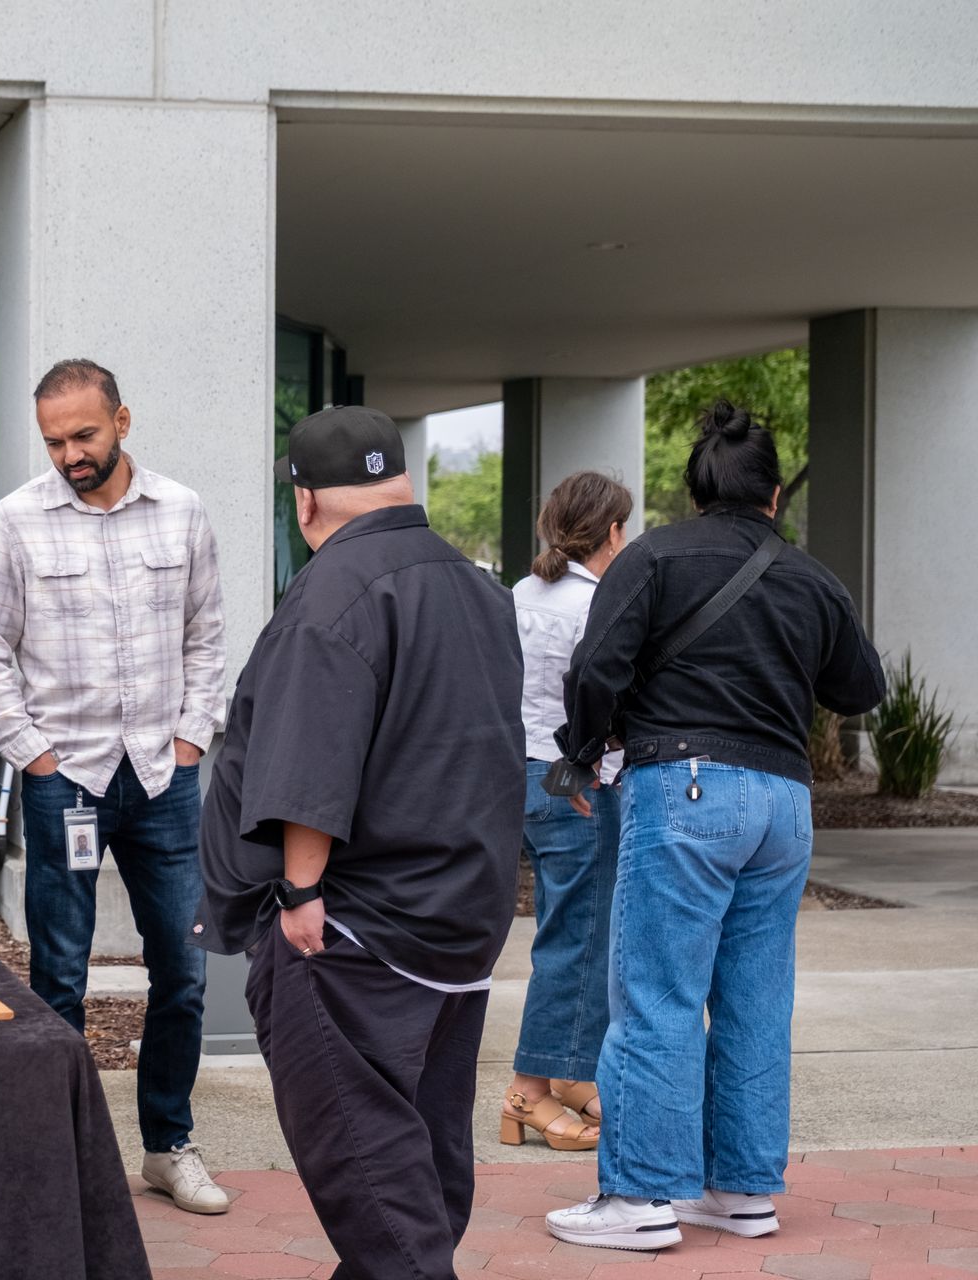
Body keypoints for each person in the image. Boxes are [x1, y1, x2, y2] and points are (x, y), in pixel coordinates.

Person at [545, 402, 885, 1250]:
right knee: (757, 1002)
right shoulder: (812, 577)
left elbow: (596, 668)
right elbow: (862, 689)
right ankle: (741, 1193)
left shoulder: (654, 556)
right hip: (786, 806)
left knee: (658, 993)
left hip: (687, 788)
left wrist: (584, 754)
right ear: (774, 495)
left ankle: (640, 1200)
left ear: (696, 492)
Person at [197, 405, 524, 1278]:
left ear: (304, 503)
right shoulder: (478, 586)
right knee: (423, 1167)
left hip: (357, 936)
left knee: (378, 1189)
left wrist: (300, 897)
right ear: (400, 483)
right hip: (461, 923)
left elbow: (311, 757)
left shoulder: (334, 593)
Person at [0, 358, 230, 1214]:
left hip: (163, 775)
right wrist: (34, 754)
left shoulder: (183, 511)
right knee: (60, 976)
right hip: (64, 777)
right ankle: (61, 1157)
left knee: (181, 971)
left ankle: (167, 1145)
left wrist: (193, 740)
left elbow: (209, 637)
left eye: (83, 435)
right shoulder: (16, 522)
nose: (69, 455)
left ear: (122, 419)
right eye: (54, 441)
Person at [500, 471, 632, 1153]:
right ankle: (528, 1090)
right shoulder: (597, 604)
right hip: (571, 776)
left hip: (520, 772)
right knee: (577, 939)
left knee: (572, 931)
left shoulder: (521, 594)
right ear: (611, 533)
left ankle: (572, 1073)